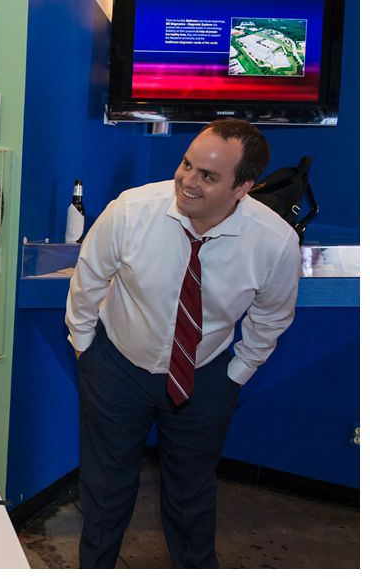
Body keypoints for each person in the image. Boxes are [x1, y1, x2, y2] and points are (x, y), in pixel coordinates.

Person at [67, 119, 300, 568]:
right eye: (187, 164)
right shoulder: (132, 210)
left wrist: (236, 375)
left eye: (208, 176)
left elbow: (271, 316)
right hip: (116, 367)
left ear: (244, 186)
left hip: (205, 375)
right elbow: (89, 277)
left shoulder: (273, 242)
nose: (188, 181)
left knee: (190, 497)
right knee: (104, 492)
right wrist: (85, 347)